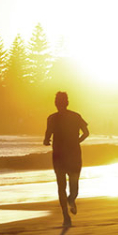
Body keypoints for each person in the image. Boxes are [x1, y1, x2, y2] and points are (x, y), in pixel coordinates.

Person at [44, 91, 90, 227]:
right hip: (74, 155)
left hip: (58, 156)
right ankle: (71, 199)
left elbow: (47, 137)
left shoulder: (51, 118)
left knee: (61, 186)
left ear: (56, 103)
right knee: (74, 184)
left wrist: (46, 141)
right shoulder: (76, 116)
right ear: (67, 102)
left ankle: (66, 217)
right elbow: (87, 133)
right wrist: (77, 141)